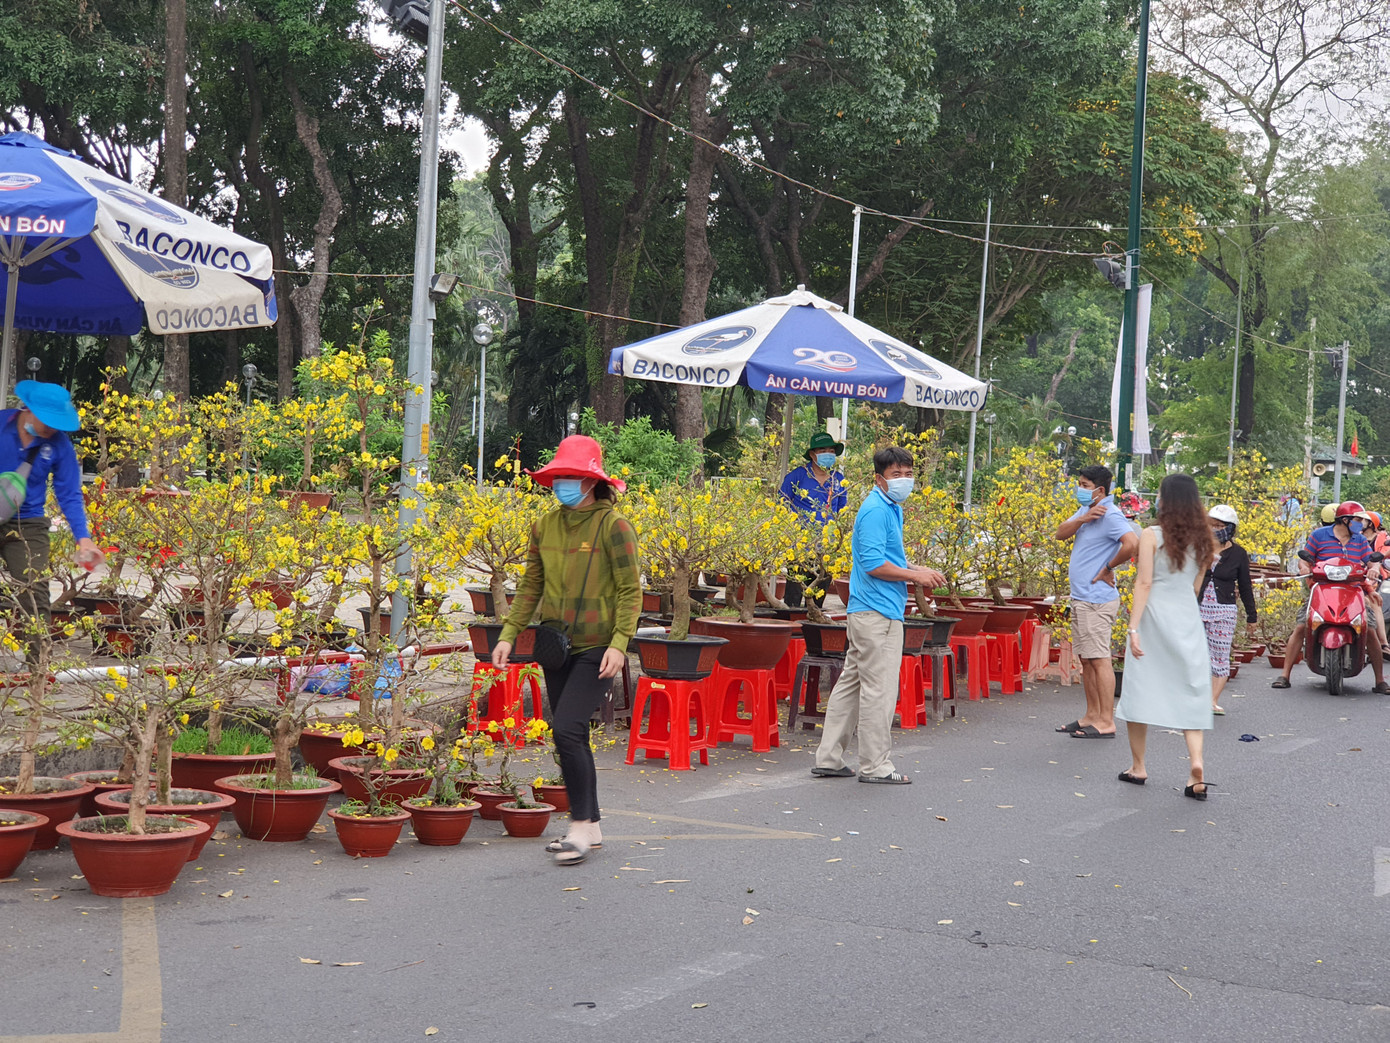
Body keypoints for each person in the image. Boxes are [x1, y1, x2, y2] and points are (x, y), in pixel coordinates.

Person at [492, 435, 641, 865]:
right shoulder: (545, 525)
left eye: (570, 476)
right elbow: (531, 586)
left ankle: (578, 825)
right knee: (572, 734)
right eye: (557, 477)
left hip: (599, 647)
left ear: (592, 481)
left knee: (567, 729)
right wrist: (508, 633)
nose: (561, 484)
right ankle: (590, 825)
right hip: (556, 645)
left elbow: (631, 591)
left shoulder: (614, 526)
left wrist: (620, 644)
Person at [813, 445, 946, 784]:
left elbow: (886, 557)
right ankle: (875, 766)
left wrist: (916, 568)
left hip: (868, 611)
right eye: (896, 474)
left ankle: (829, 758)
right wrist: (914, 576)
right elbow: (874, 564)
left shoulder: (889, 507)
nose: (904, 480)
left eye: (908, 473)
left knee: (852, 684)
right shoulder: (876, 510)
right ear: (879, 479)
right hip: (877, 613)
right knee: (879, 690)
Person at [1115, 474, 1217, 799]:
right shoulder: (1205, 541)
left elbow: (1144, 583)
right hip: (1187, 618)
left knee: (1138, 690)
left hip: (1153, 618)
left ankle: (1138, 766)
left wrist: (1133, 628)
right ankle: (1196, 765)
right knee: (1192, 691)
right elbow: (1195, 587)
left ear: (1166, 500)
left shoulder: (1151, 535)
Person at [1, 381, 103, 660]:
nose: (52, 428)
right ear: (28, 410)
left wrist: (84, 539)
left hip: (28, 523)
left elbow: (69, 493)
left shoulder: (59, 444)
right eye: (47, 420)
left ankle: (39, 670)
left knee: (35, 592)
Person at [1052, 465, 1139, 739]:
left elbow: (1131, 543)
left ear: (1100, 490)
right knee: (1087, 660)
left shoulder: (1110, 514)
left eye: (1084, 485)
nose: (1079, 489)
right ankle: (1091, 715)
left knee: (1100, 659)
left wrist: (1109, 567)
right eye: (1079, 483)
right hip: (1082, 598)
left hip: (1097, 600)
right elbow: (1060, 533)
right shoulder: (1088, 511)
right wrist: (1083, 518)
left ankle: (1106, 721)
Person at [1271, 500, 1389, 692]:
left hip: (1353, 591)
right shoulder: (1319, 535)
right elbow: (1304, 558)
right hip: (1322, 590)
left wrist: (1374, 568)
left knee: (1369, 630)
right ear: (1345, 520)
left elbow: (1371, 560)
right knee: (1301, 626)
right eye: (1357, 520)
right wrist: (1304, 567)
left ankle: (1380, 681)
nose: (1361, 524)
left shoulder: (1360, 540)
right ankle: (1284, 675)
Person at [1198, 505, 1257, 715]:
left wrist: (1252, 616)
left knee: (1220, 656)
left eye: (1220, 526)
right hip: (1197, 607)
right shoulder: (1199, 548)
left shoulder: (1238, 554)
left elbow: (1245, 586)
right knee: (1195, 654)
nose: (1215, 529)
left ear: (1230, 529)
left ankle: (1212, 700)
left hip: (1223, 611)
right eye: (1212, 525)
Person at [780, 432, 848, 523]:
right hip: (800, 531)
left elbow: (841, 510)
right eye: (823, 451)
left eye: (831, 451)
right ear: (812, 454)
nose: (828, 454)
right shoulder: (796, 476)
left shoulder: (839, 479)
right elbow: (781, 505)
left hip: (830, 531)